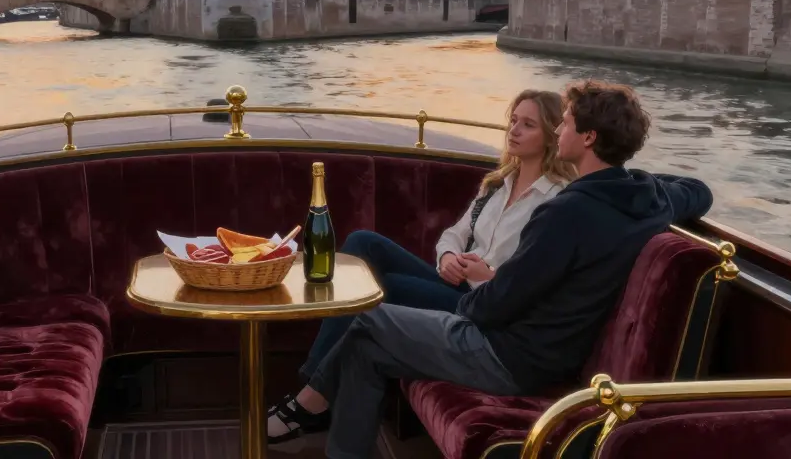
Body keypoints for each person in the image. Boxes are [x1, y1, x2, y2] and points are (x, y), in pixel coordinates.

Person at [266, 80, 713, 458]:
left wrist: (452, 308)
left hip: (510, 355)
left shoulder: (565, 213)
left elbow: (497, 305)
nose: (561, 128)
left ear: (590, 138)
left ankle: (313, 411)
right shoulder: (652, 198)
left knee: (369, 322)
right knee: (372, 327)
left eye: (568, 121)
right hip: (544, 348)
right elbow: (699, 191)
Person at [286, 89, 575, 391]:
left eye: (528, 125)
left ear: (552, 134)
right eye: (513, 120)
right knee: (363, 242)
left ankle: (312, 391)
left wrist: (485, 276)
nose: (514, 130)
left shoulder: (556, 200)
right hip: (456, 281)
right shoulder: (497, 184)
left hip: (483, 305)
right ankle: (315, 379)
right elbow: (453, 235)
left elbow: (532, 281)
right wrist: (447, 257)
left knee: (383, 288)